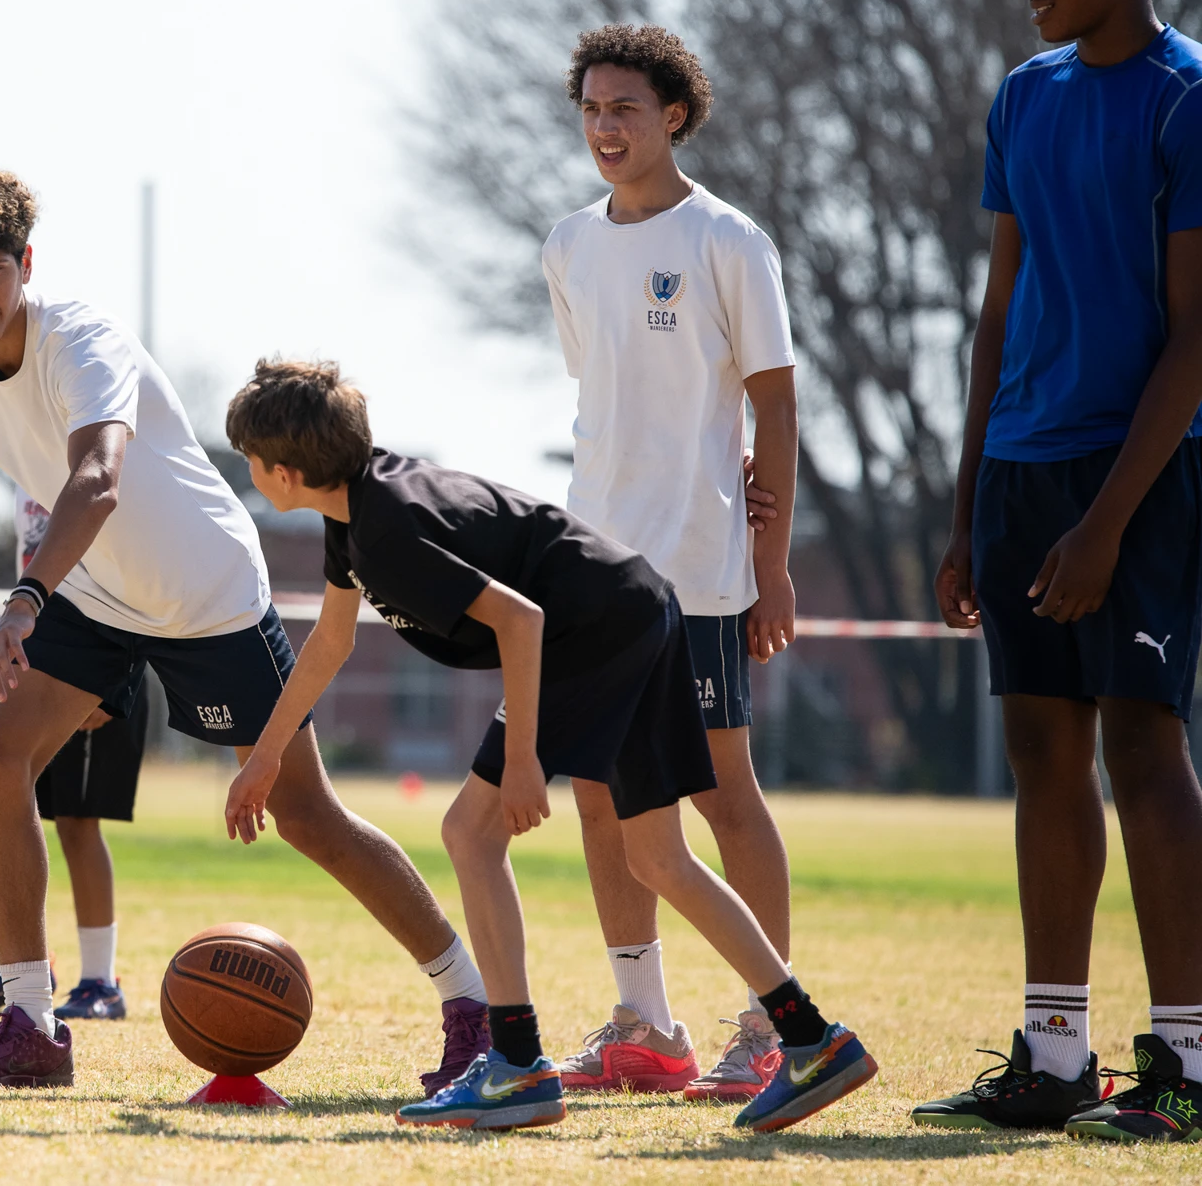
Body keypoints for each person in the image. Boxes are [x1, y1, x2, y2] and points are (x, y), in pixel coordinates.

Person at [0, 164, 482, 1091]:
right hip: (91, 587)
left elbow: (97, 481)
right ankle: (32, 1026)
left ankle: (472, 1006)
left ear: (26, 263)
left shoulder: (80, 337)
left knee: (308, 817)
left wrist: (22, 602)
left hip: (203, 590)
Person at [223, 360, 877, 1134]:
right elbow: (332, 641)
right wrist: (265, 756)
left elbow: (522, 620)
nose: (252, 475)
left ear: (286, 472)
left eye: (250, 462)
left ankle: (517, 1065)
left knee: (469, 832)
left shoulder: (387, 528)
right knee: (659, 858)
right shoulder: (356, 515)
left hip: (593, 630)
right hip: (639, 607)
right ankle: (811, 1038)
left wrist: (527, 755)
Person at [916, 0, 1202, 1143]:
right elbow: (996, 313)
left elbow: (1196, 340)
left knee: (1145, 742)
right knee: (1043, 751)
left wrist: (1105, 522)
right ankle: (1055, 1056)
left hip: (1141, 469)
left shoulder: (1185, 100)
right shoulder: (1021, 99)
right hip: (1025, 468)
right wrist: (972, 501)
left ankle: (1188, 1064)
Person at [540, 25, 799, 1102]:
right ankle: (641, 1026)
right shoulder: (563, 243)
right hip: (591, 565)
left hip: (696, 566)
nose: (606, 128)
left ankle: (772, 1023)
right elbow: (597, 403)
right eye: (591, 109)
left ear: (673, 116)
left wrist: (770, 562)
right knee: (599, 796)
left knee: (720, 795)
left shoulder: (728, 239)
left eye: (626, 110)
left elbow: (773, 405)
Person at [0, 485, 145, 1023]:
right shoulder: (19, 457)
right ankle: (30, 967)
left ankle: (101, 979)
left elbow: (139, 559)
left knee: (79, 821)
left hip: (100, 651)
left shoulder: (98, 447)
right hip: (38, 652)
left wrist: (111, 683)